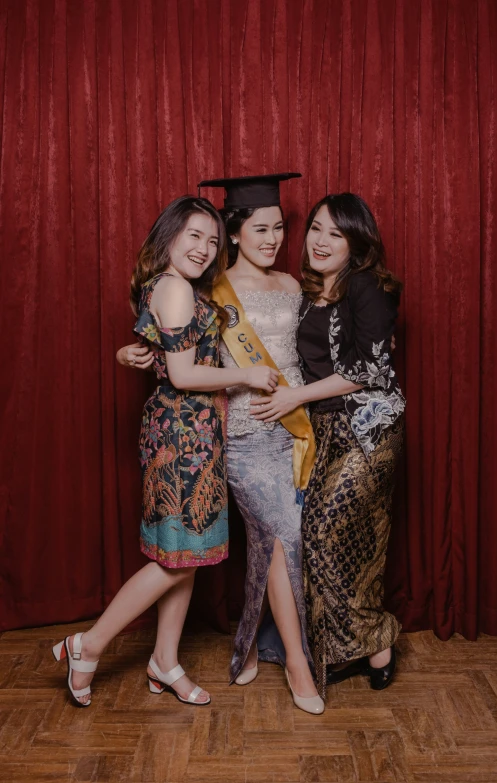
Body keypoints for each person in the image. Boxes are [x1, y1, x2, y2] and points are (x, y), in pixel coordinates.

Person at [52, 196, 278, 708]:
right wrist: (245, 375)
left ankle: (165, 660)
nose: (204, 248)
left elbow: (160, 355)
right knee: (174, 560)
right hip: (180, 437)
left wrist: (129, 352)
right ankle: (87, 646)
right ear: (170, 236)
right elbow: (182, 374)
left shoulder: (178, 287)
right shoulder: (176, 287)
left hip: (194, 431)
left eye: (213, 240)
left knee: (187, 556)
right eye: (194, 236)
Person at [119, 174, 324, 715]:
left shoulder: (294, 283)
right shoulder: (206, 287)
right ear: (234, 232)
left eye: (281, 227)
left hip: (291, 429)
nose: (274, 237)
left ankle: (253, 644)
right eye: (261, 227)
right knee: (281, 533)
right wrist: (129, 351)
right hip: (232, 436)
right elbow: (162, 331)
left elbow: (312, 350)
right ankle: (298, 663)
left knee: (275, 537)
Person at [251, 193, 405, 699]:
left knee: (321, 531)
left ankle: (377, 639)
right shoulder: (310, 289)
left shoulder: (368, 287)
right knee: (343, 543)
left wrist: (296, 395)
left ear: (356, 242)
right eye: (316, 228)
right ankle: (355, 645)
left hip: (369, 430)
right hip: (324, 432)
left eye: (336, 234)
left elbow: (371, 369)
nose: (320, 241)